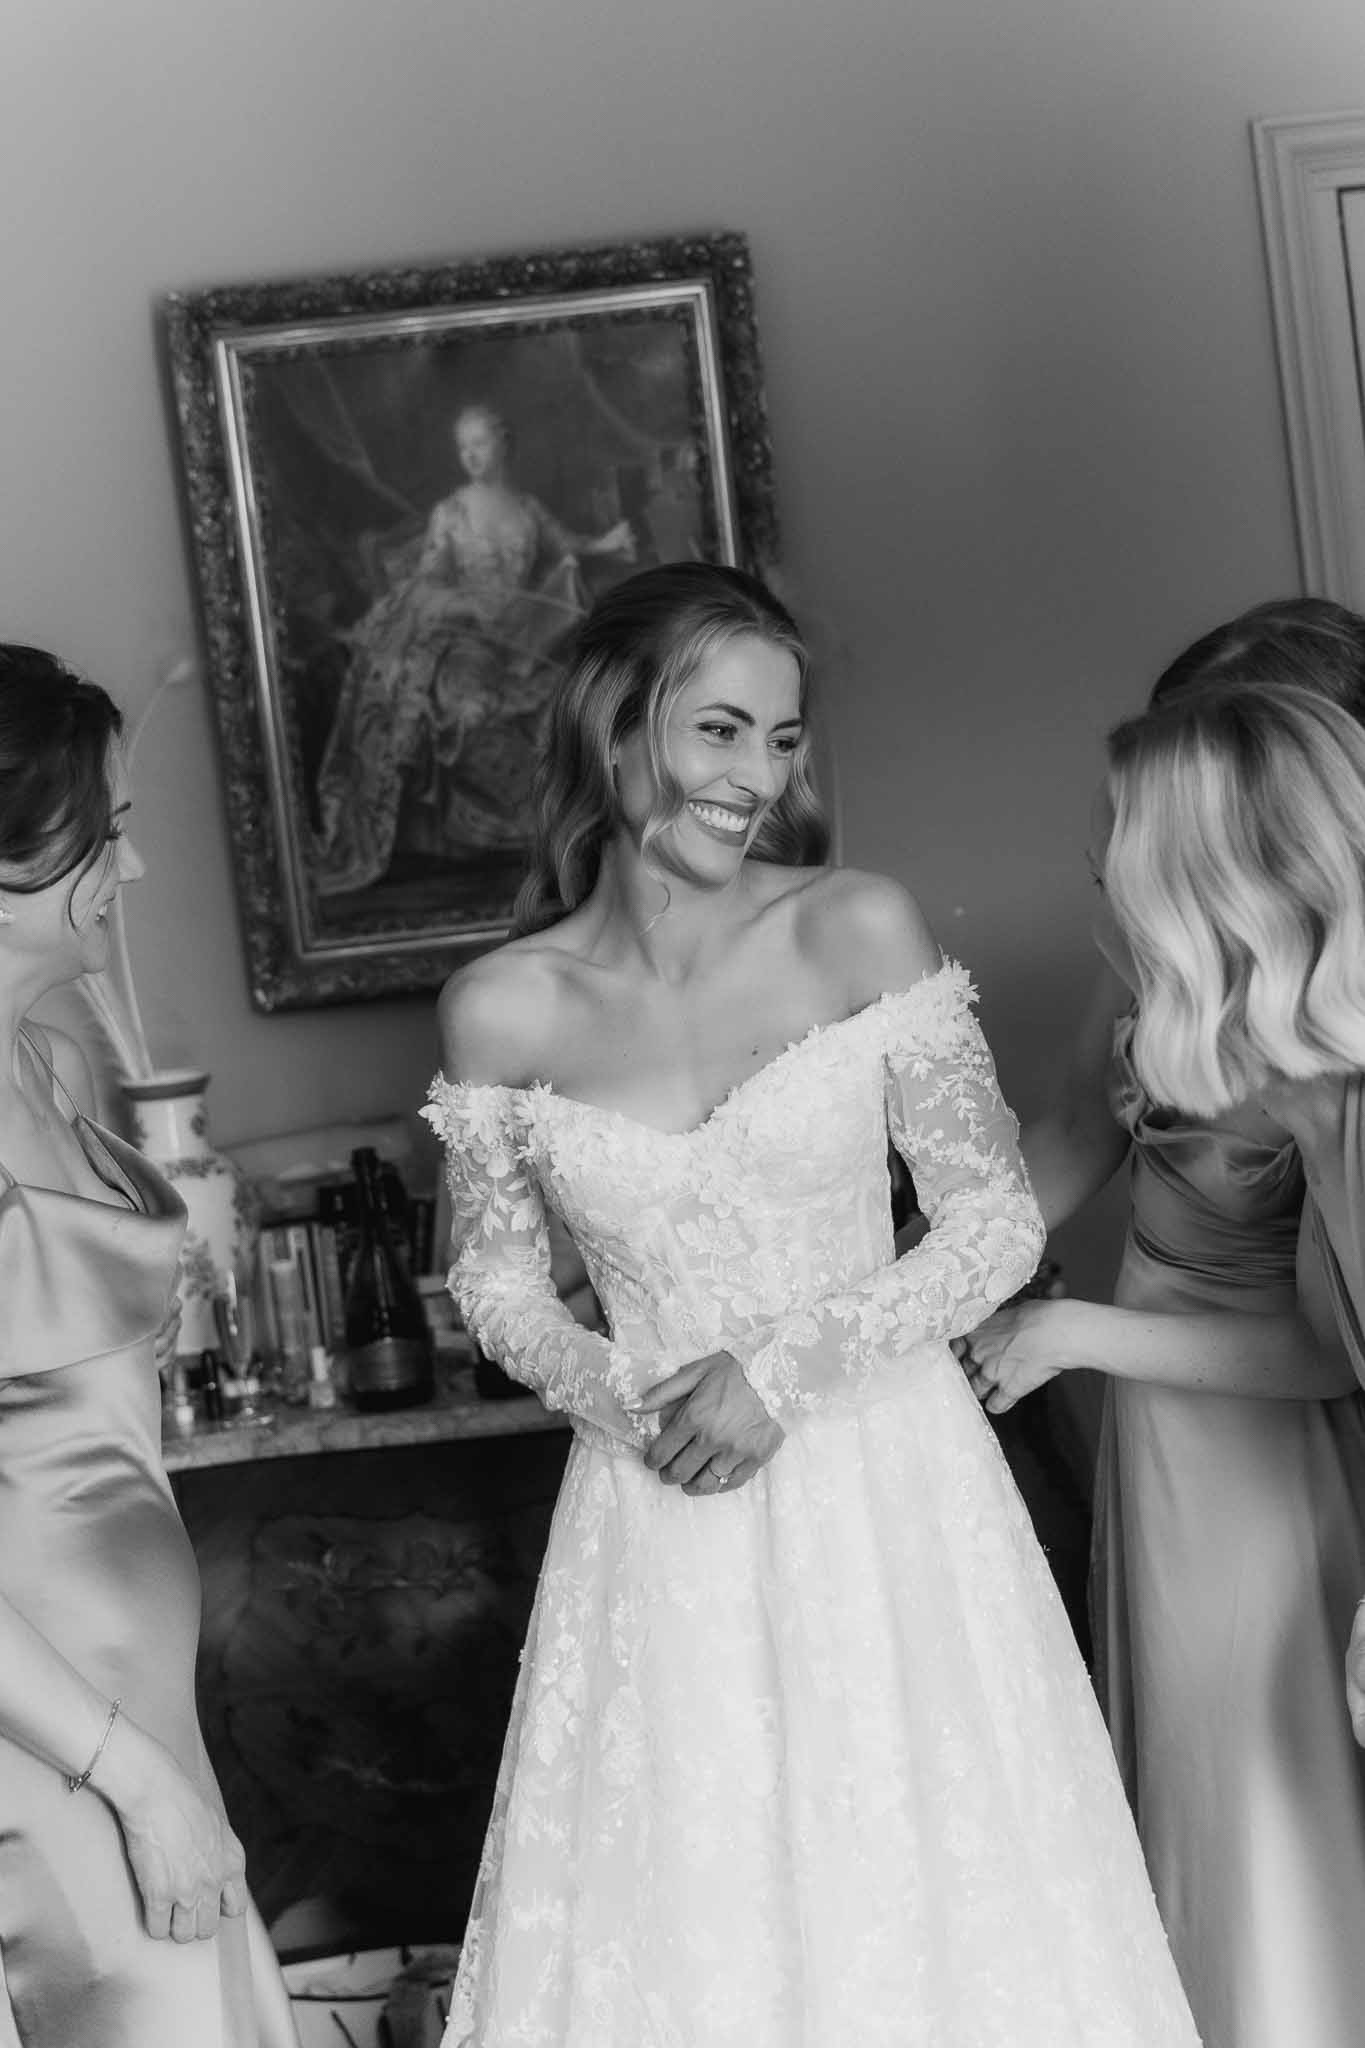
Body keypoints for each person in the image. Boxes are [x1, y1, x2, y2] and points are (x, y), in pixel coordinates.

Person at [421, 562, 1200, 2046]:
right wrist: (625, 1396)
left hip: (887, 1486)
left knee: (939, 1899)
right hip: (659, 1509)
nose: (755, 780)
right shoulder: (500, 1007)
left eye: (780, 741)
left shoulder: (857, 927)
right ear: (616, 726)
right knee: (693, 1929)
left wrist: (775, 1372)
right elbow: (499, 1289)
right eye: (719, 732)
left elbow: (990, 1226)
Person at [968, 608, 1365, 2048]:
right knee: (1204, 1813)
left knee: (1271, 1822)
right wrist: (908, 1291)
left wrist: (1074, 1339)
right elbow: (1073, 1126)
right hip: (1166, 1445)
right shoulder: (1196, 988)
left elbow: (1334, 1346)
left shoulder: (1337, 1083)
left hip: (1266, 1456)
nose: (1101, 866)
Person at [0, 646, 298, 2047]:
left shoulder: (50, 1062)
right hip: (47, 1744)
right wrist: (131, 1778)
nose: (138, 865)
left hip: (132, 1716)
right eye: (107, 831)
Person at [315, 402, 636, 895]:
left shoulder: (527, 508)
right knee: (472, 704)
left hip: (525, 638)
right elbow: (428, 582)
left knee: (587, 699)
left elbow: (568, 546)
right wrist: (468, 605)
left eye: (479, 444)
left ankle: (566, 828)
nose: (471, 456)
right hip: (468, 638)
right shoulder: (452, 511)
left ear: (504, 442)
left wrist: (607, 544)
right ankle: (484, 833)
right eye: (463, 447)